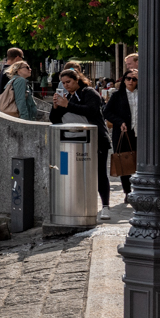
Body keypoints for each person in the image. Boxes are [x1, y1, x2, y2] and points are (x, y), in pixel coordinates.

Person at [49, 66, 111, 210]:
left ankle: (105, 205)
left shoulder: (89, 92)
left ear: (77, 79)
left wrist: (68, 105)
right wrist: (55, 107)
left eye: (68, 82)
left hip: (96, 140)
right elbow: (55, 119)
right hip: (73, 140)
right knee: (73, 173)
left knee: (99, 173)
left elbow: (92, 110)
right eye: (63, 83)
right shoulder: (67, 96)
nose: (66, 85)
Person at [103, 66, 139, 201]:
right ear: (124, 80)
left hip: (140, 133)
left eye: (134, 79)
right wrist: (120, 122)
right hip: (123, 132)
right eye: (128, 78)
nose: (131, 81)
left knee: (140, 162)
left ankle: (139, 189)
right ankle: (127, 192)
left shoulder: (143, 94)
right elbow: (107, 112)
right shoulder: (117, 95)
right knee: (125, 162)